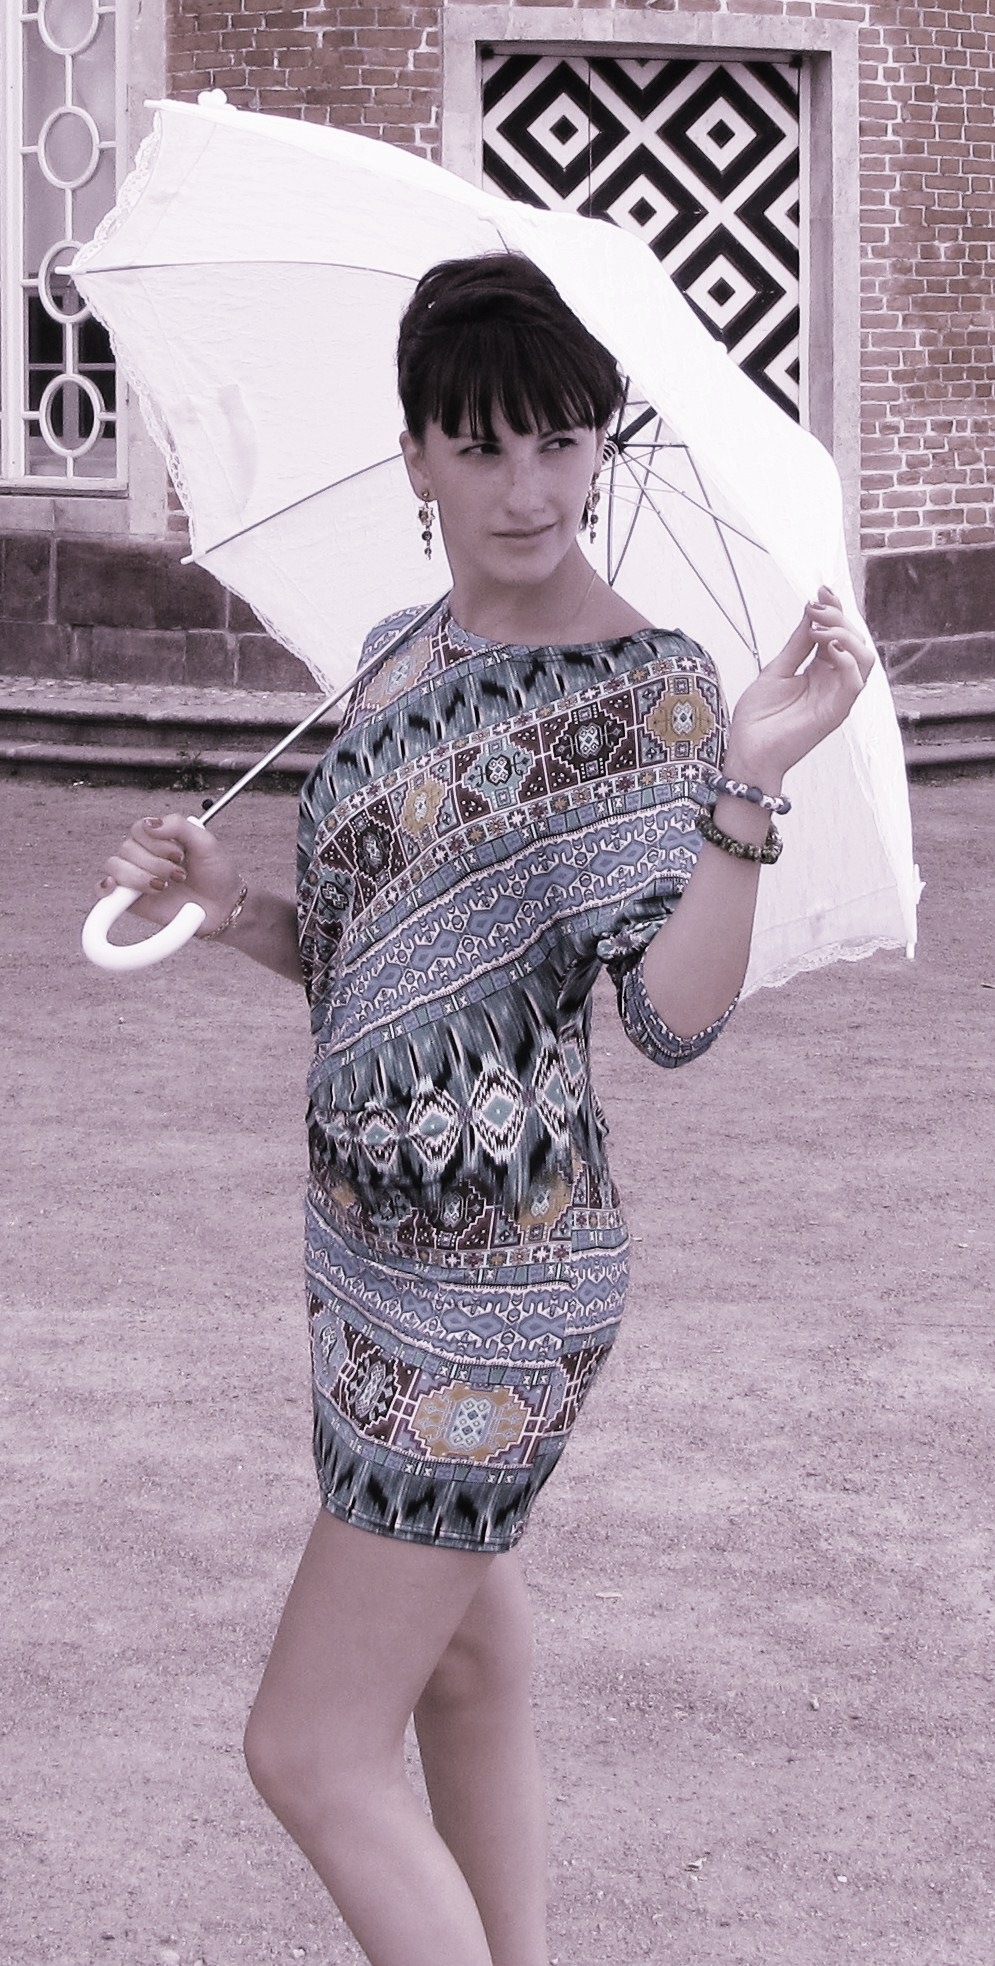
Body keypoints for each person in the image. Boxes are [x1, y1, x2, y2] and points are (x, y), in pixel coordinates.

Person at [97, 254, 874, 1966]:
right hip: (361, 1262)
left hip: (501, 1288)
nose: (528, 488)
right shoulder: (394, 655)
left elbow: (672, 1017)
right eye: (484, 446)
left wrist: (747, 778)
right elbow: (370, 968)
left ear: (602, 444)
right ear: (417, 457)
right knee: (458, 1659)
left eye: (560, 441)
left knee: (307, 1748)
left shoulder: (652, 691)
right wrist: (227, 904)